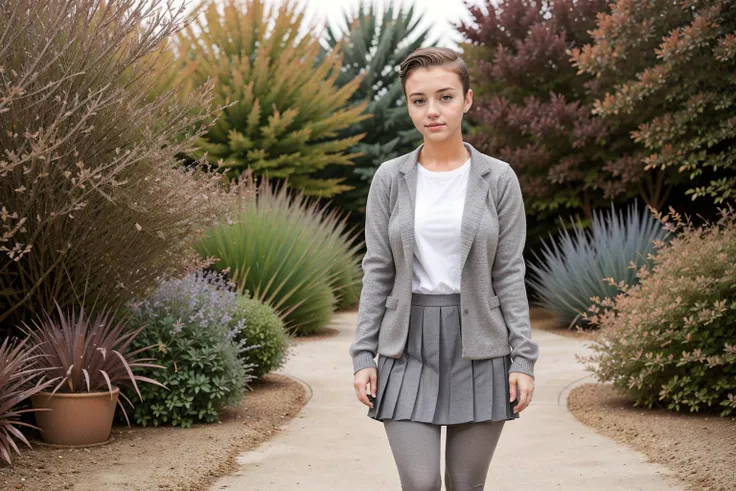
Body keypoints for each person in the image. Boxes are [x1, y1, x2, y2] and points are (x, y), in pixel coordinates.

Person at [348, 46, 540, 491]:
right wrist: (363, 355)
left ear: (467, 99)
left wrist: (523, 360)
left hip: (481, 348)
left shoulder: (499, 178)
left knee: (465, 484)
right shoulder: (389, 179)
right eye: (419, 100)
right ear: (409, 104)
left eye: (445, 97)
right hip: (406, 347)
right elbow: (377, 270)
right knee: (420, 483)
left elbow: (509, 271)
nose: (432, 111)